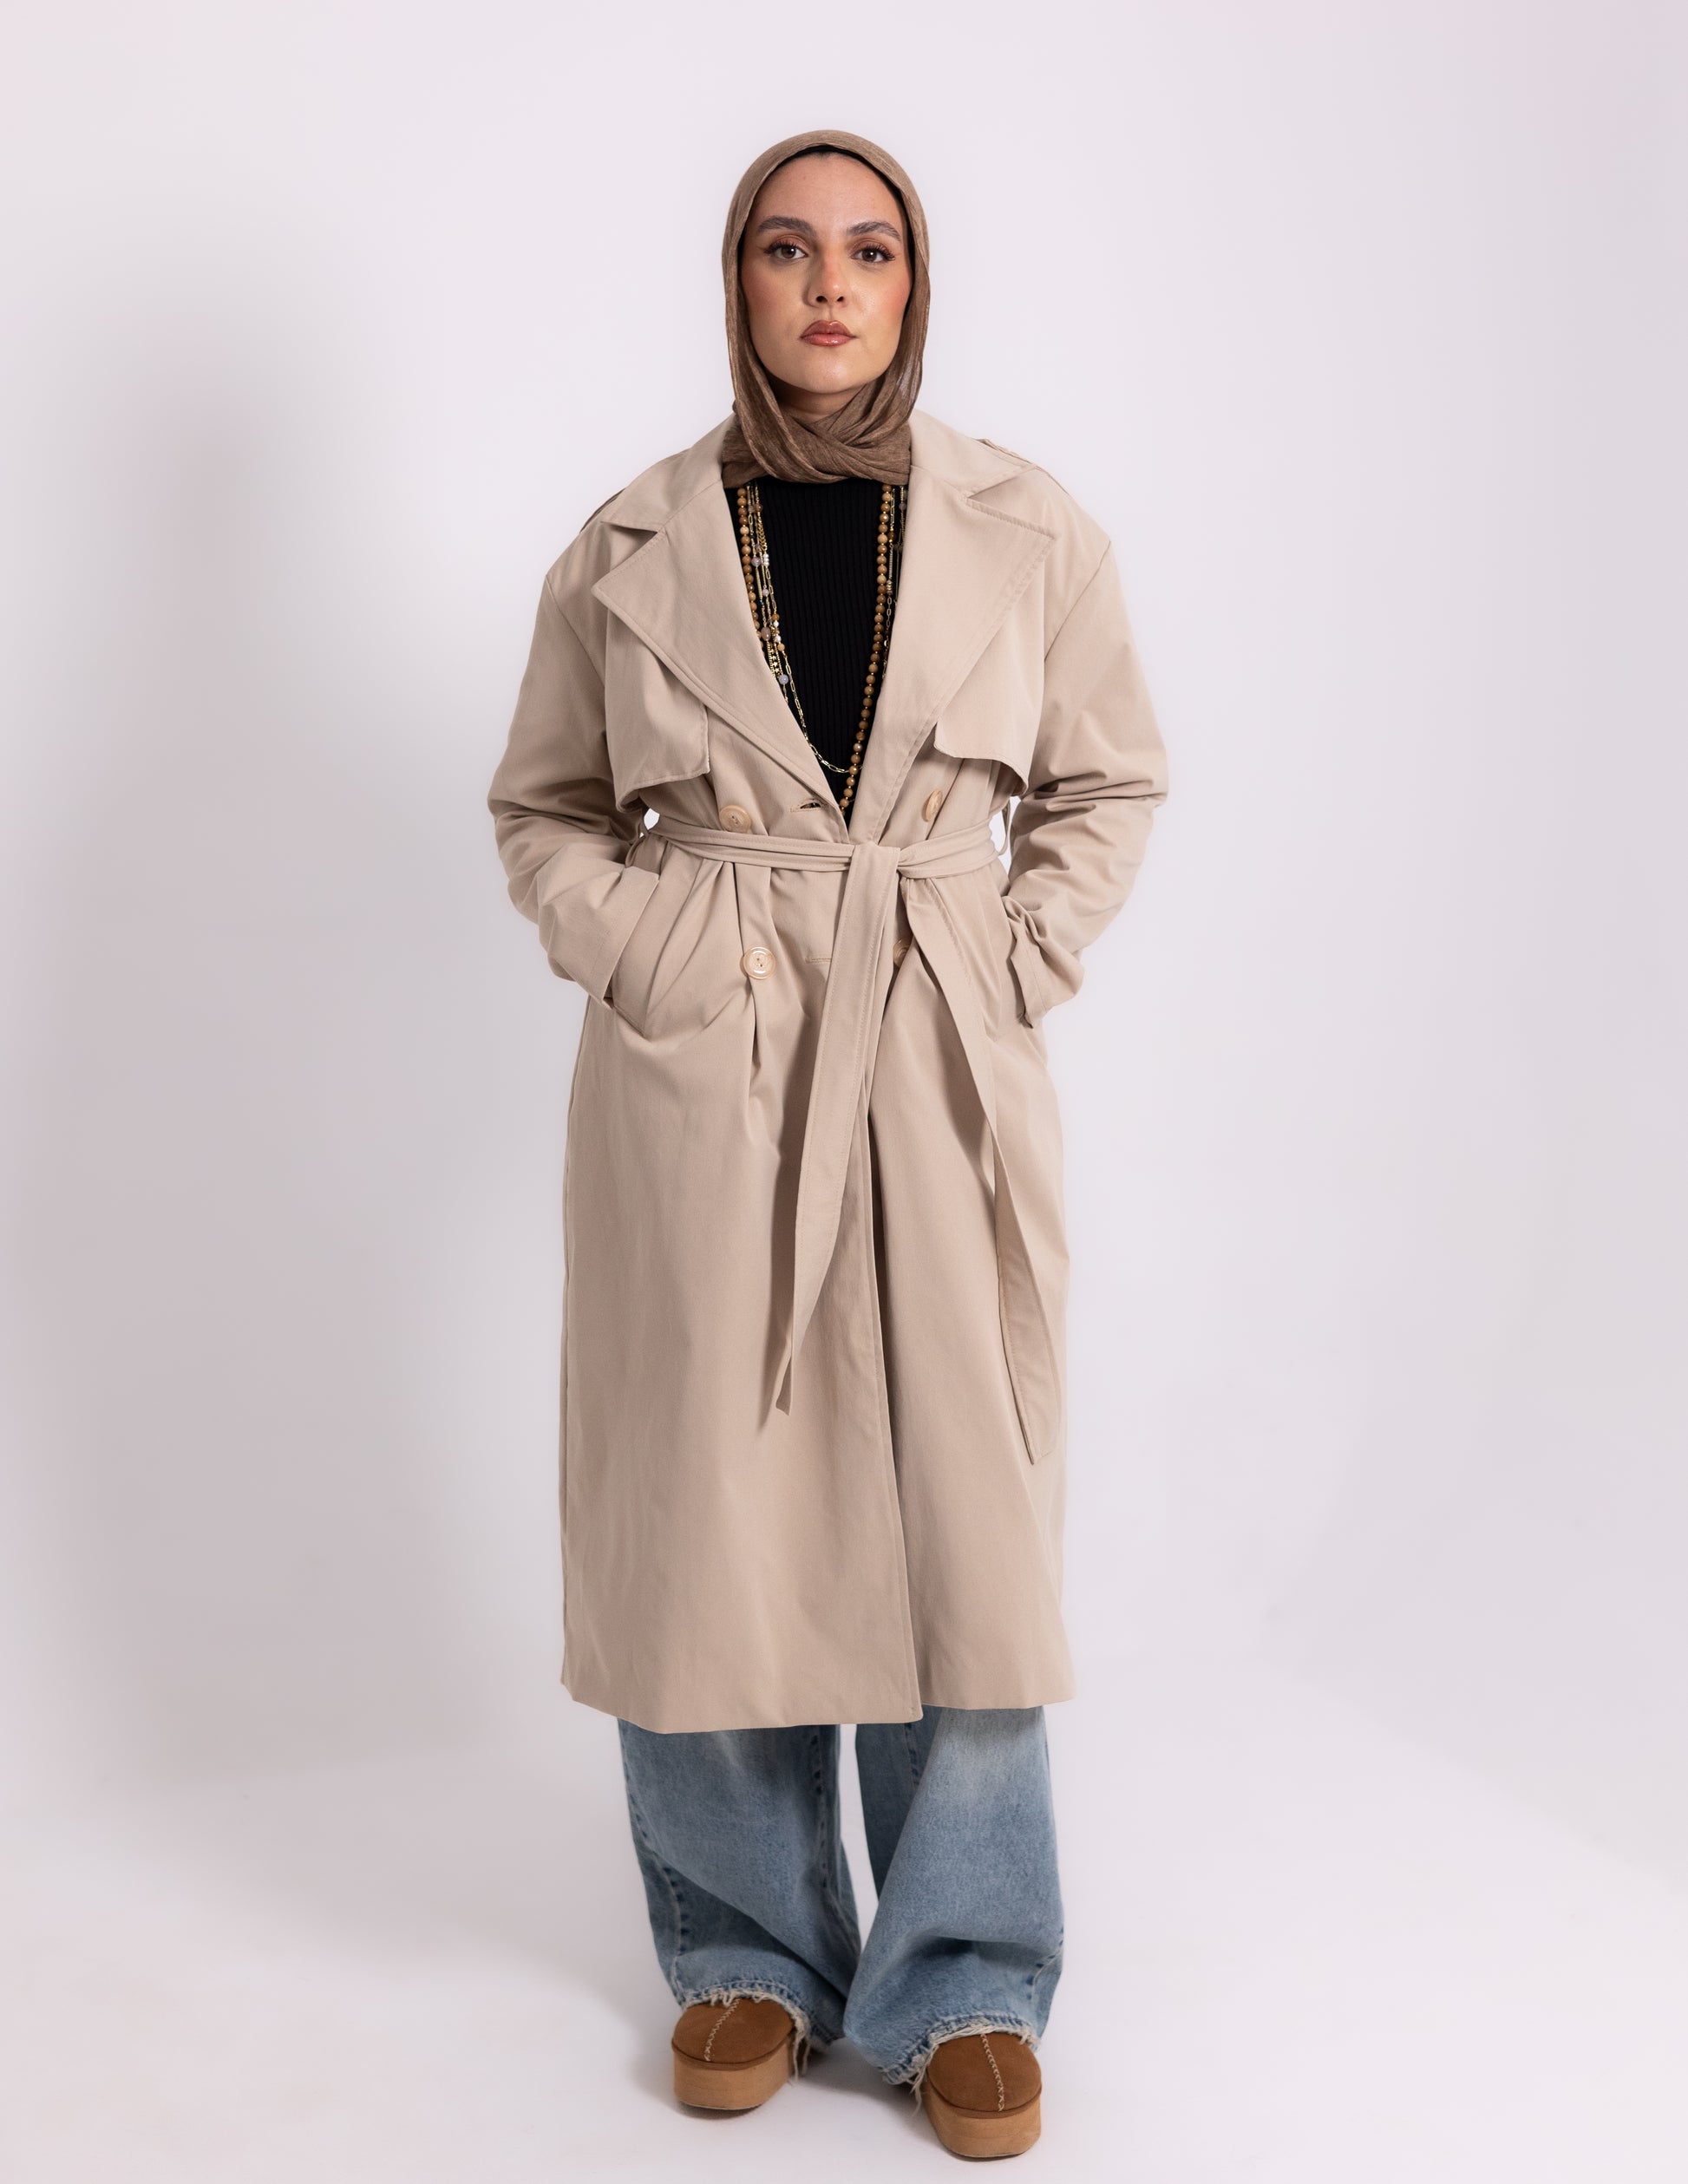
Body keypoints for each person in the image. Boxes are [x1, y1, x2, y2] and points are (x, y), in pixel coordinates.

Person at [487, 128, 1168, 2159]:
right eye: (785, 249)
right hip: (707, 1060)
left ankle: (966, 1970)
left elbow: (1108, 778)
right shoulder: (626, 544)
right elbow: (544, 805)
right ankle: (745, 1946)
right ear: (738, 282)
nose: (826, 284)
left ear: (911, 284)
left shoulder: (1026, 528)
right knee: (712, 1495)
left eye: (866, 250)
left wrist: (1011, 952)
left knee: (965, 1497)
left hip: (932, 1038)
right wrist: (654, 950)